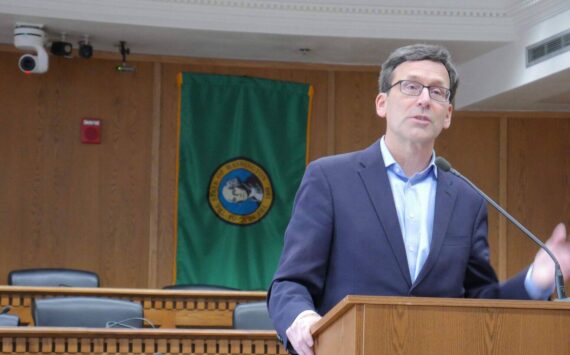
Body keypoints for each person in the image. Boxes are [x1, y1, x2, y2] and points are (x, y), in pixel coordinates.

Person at [266, 43, 570, 355]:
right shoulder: (329, 179)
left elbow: (481, 305)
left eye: (438, 92)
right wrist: (302, 318)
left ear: (448, 114)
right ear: (382, 103)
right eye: (411, 87)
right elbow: (290, 284)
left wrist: (536, 280)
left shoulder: (467, 199)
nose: (424, 99)